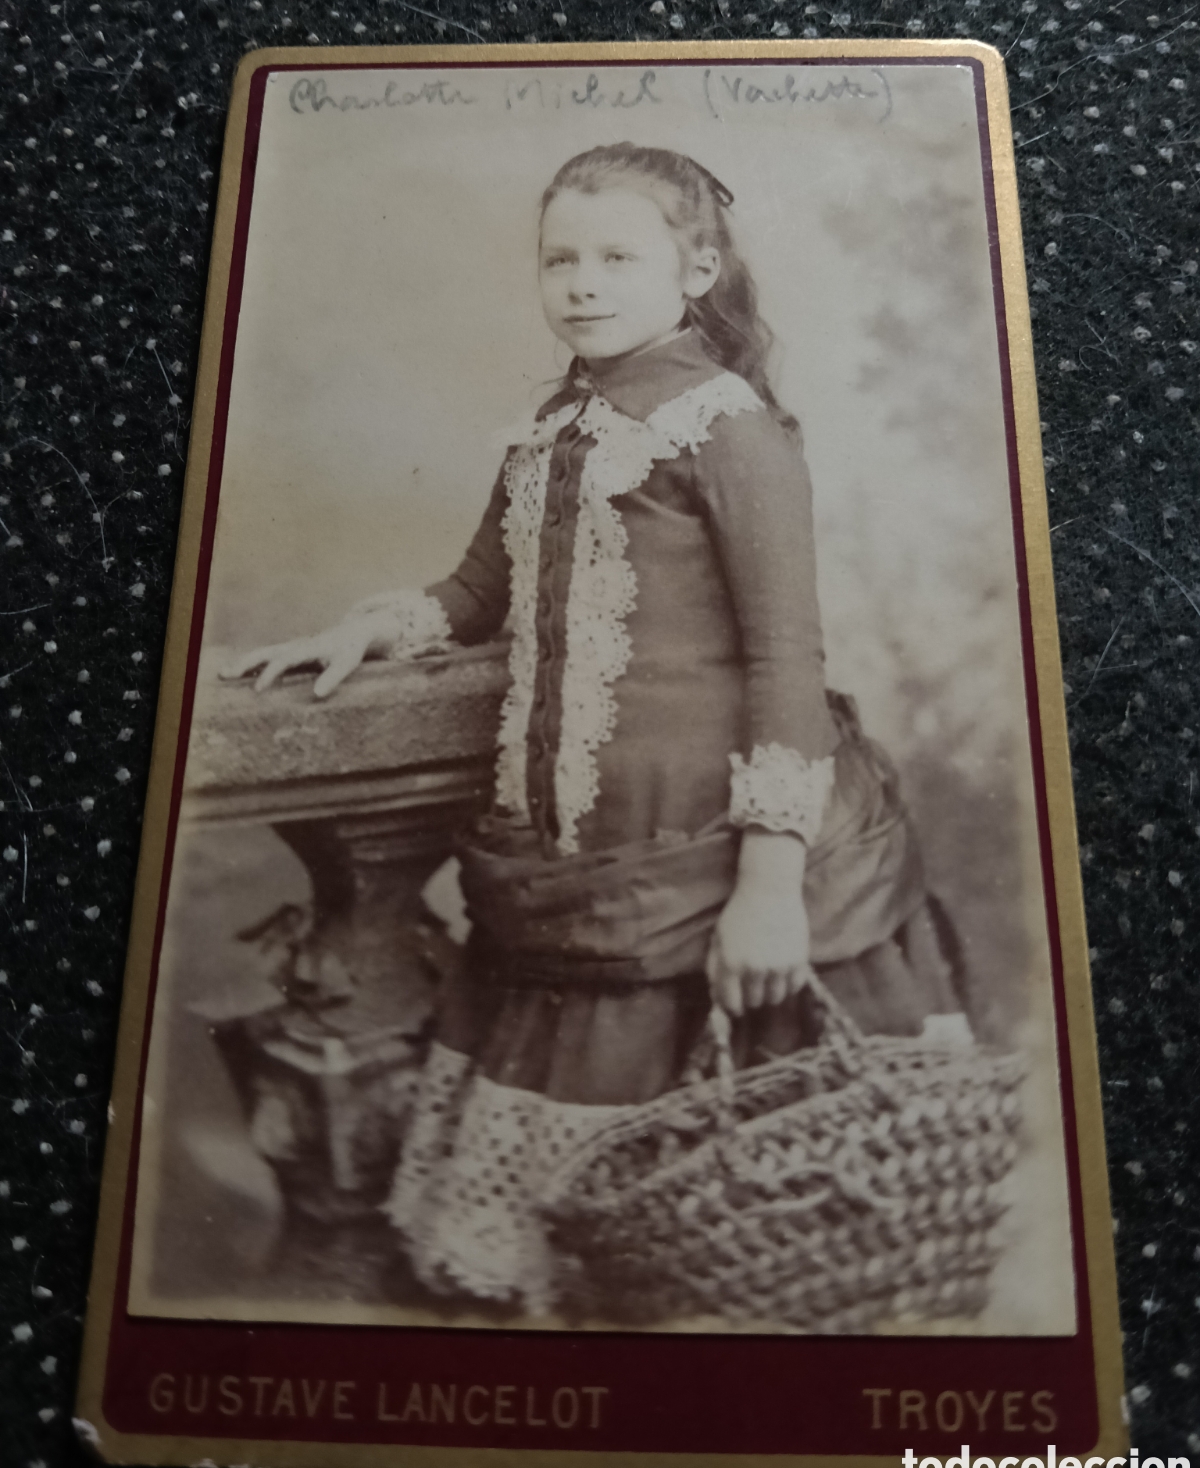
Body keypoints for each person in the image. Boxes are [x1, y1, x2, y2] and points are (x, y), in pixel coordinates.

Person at [224, 143, 970, 1315]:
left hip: (706, 831)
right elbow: (480, 590)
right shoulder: (557, 421)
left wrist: (768, 882)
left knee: (742, 1206)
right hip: (572, 840)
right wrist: (369, 631)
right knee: (581, 1247)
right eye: (558, 257)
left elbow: (787, 657)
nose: (582, 281)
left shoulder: (727, 426)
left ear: (699, 266)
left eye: (618, 255)